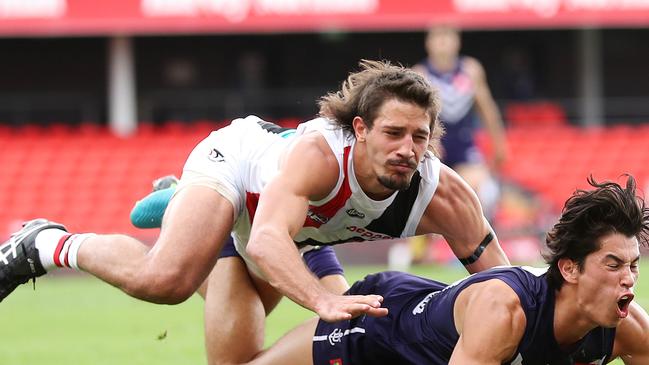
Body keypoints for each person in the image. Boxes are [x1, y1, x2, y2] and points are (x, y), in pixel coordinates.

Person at [0, 60, 510, 364]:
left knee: (330, 338)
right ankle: (45, 243)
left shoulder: (444, 195)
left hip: (297, 230)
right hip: (241, 176)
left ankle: (185, 206)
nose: (407, 148)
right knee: (169, 279)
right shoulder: (319, 158)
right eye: (393, 133)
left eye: (419, 137)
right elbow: (267, 240)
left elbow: (511, 289)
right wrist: (318, 301)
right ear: (359, 129)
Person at [239, 175, 649, 365]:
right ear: (570, 269)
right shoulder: (504, 310)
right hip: (378, 331)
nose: (627, 277)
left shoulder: (628, 327)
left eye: (632, 265)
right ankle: (239, 227)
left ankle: (310, 247)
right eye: (612, 264)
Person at [413, 25, 507, 220]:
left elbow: (487, 109)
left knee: (483, 194)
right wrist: (427, 145)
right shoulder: (420, 74)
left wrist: (499, 146)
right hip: (435, 149)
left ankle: (476, 245)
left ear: (458, 42)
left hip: (465, 148)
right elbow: (414, 117)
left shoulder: (470, 70)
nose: (443, 42)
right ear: (428, 43)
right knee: (422, 205)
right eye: (438, 36)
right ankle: (419, 248)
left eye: (448, 36)